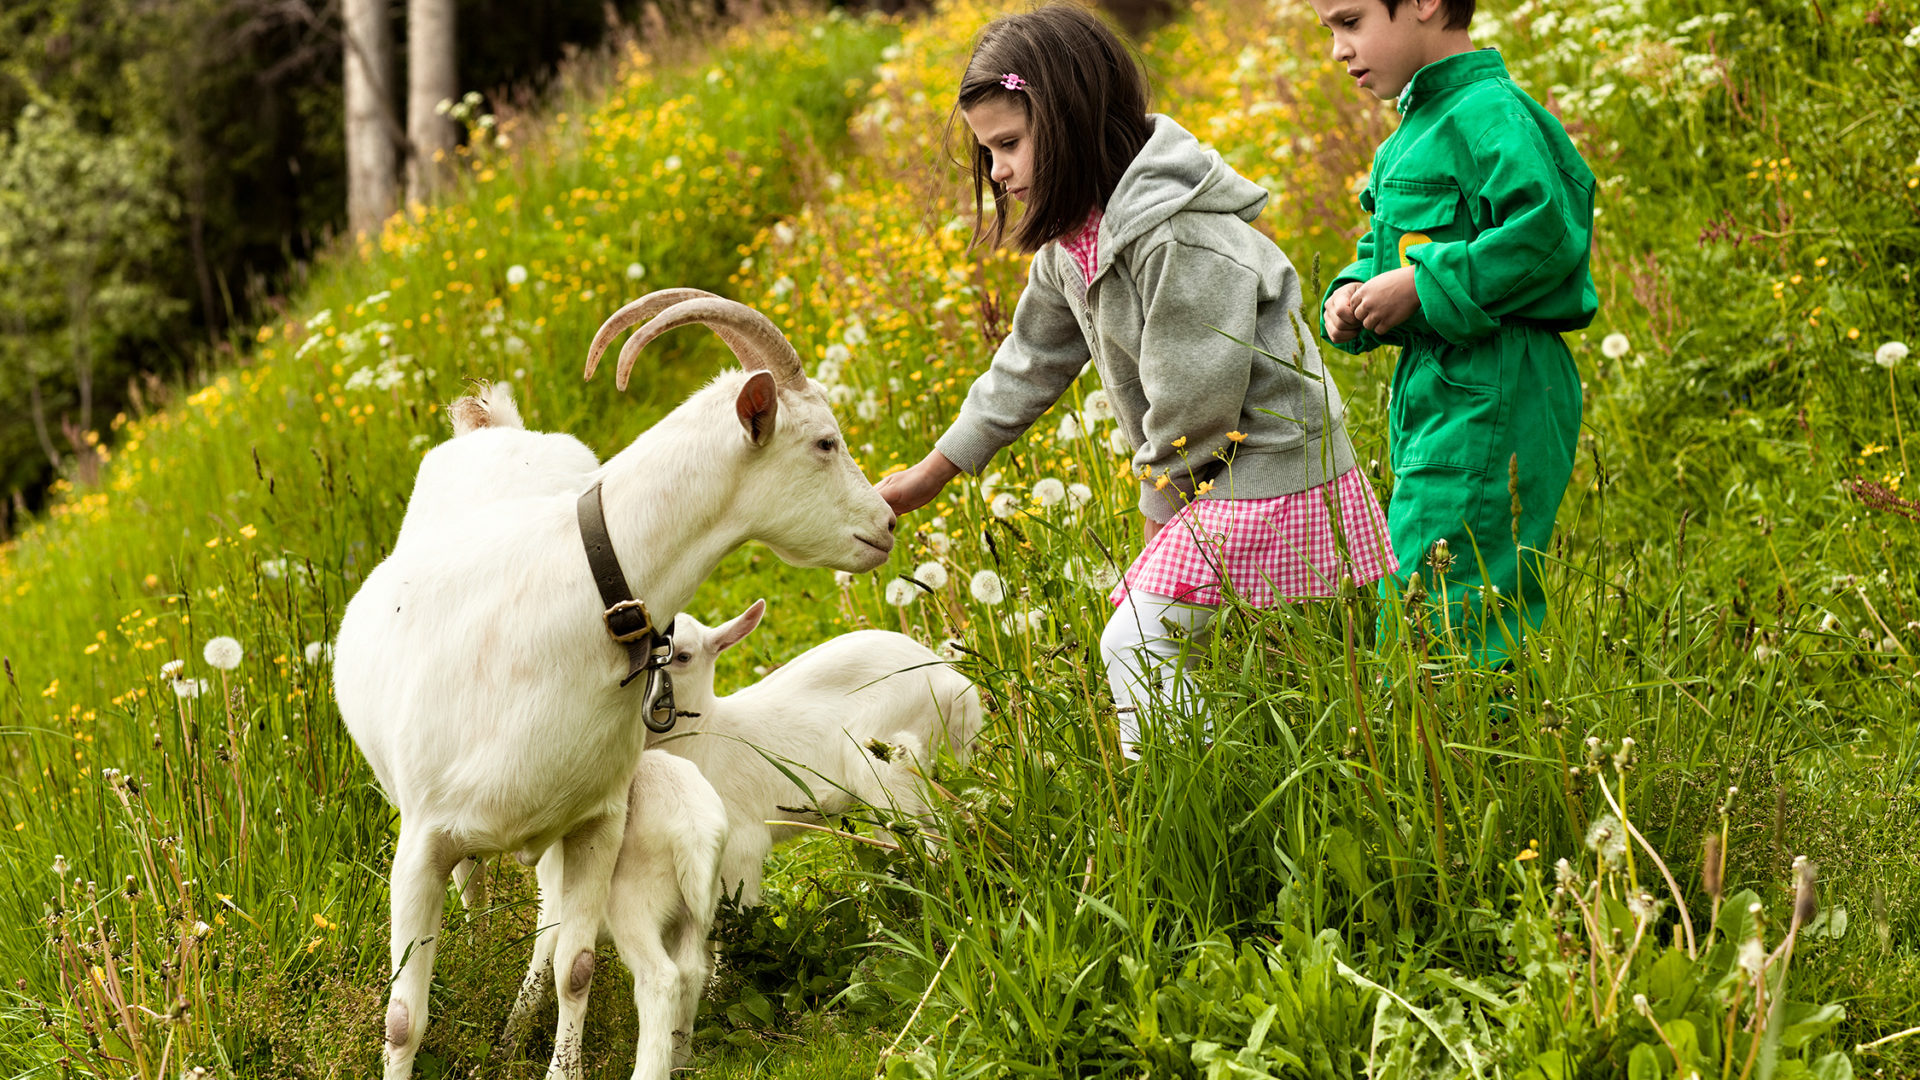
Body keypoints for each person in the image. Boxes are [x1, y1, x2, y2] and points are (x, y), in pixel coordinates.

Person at [877, 3, 1396, 759]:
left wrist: (1158, 525)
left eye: (1010, 144)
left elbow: (1197, 401)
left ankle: (1192, 789)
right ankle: (1247, 771)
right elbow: (1027, 363)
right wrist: (931, 474)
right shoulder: (1073, 245)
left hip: (1277, 469)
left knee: (1135, 640)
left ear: (1069, 120)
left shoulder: (1174, 235)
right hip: (1222, 477)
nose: (997, 171)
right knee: (1221, 650)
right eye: (988, 152)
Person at [1311, 0, 1595, 666]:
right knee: (1420, 560)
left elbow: (1547, 234)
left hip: (1495, 382)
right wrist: (1352, 294)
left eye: (1349, 23)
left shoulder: (1490, 115)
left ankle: (1462, 742)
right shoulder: (1412, 134)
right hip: (1439, 389)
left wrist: (1420, 285)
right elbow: (1394, 247)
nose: (1337, 50)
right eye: (1328, 30)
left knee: (1456, 578)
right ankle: (1425, 739)